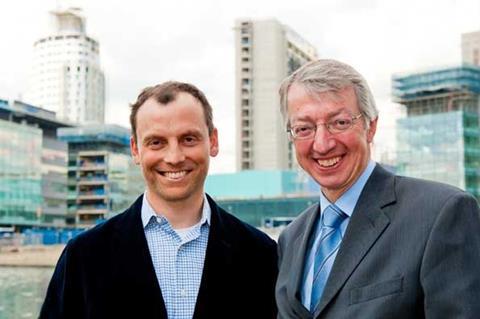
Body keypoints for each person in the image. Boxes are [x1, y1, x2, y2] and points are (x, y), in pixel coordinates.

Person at [40, 81, 278, 319]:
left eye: (188, 139)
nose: (174, 157)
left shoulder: (261, 255)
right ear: (135, 149)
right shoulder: (83, 256)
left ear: (213, 141)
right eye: (157, 142)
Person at [275, 59, 480, 318]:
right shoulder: (290, 239)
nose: (322, 144)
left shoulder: (441, 214)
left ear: (370, 126)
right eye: (304, 128)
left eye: (339, 123)